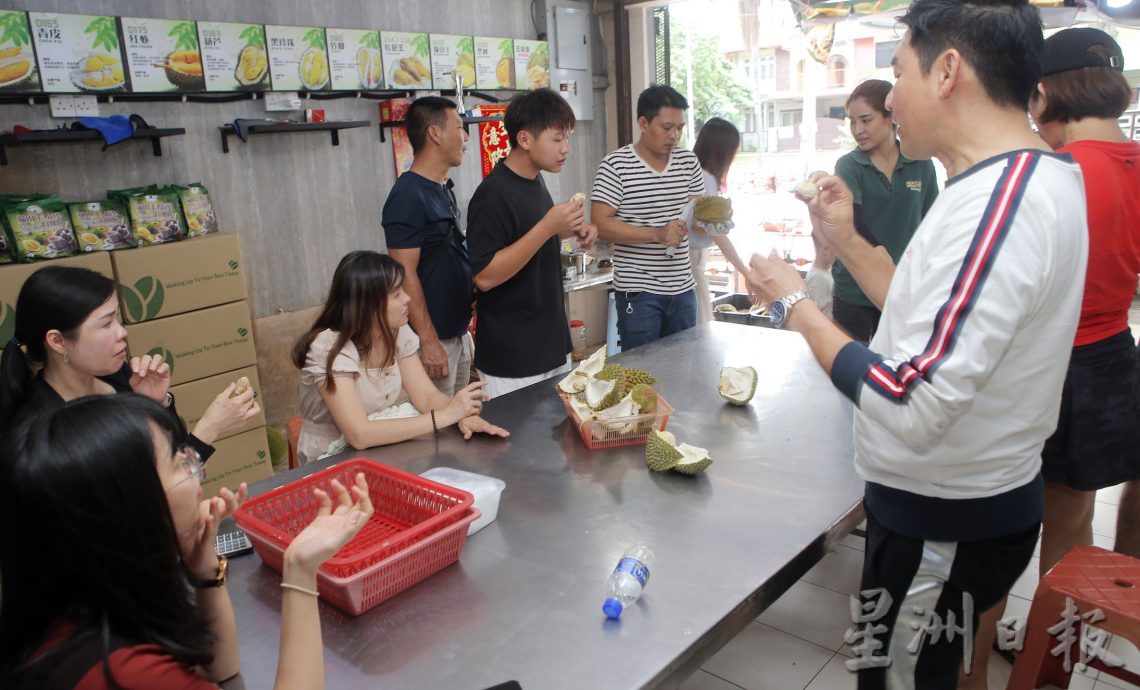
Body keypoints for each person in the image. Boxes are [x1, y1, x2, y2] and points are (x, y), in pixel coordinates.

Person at [747, 1, 1087, 687]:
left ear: (949, 71)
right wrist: (843, 236)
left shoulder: (1004, 205)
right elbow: (918, 303)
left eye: (898, 73)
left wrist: (792, 305)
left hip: (946, 521)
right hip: (950, 504)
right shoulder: (1009, 180)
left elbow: (910, 399)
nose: (890, 96)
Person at [0, 395, 372, 689]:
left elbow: (221, 668)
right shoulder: (127, 673)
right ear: (130, 508)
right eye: (180, 462)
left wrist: (205, 569)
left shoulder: (80, 603)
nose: (197, 474)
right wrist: (301, 570)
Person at [1028, 28, 1140, 572]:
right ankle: (1067, 633)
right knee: (1079, 504)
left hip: (1059, 362)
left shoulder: (1060, 174)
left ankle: (1044, 645)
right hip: (1117, 352)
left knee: (1049, 514)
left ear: (1044, 96)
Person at [0, 266, 258, 454]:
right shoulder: (48, 432)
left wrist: (153, 404)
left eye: (117, 319)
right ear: (58, 341)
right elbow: (160, 489)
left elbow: (171, 454)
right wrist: (209, 428)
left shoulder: (116, 375)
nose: (122, 332)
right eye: (106, 324)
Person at [292, 251, 507, 464]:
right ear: (368, 305)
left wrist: (463, 416)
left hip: (377, 449)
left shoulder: (396, 332)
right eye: (397, 294)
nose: (408, 299)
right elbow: (360, 434)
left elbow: (426, 396)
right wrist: (446, 416)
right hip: (330, 459)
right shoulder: (329, 348)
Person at [466, 88, 597, 399]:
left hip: (551, 345)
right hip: (513, 359)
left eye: (567, 138)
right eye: (557, 139)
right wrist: (547, 227)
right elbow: (484, 277)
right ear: (524, 140)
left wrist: (568, 230)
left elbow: (529, 238)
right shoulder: (492, 195)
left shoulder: (535, 179)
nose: (566, 149)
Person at [591, 85, 703, 350]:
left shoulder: (688, 162)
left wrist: (711, 220)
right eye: (666, 127)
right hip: (639, 292)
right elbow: (600, 225)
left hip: (683, 288)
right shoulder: (616, 165)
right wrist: (656, 234)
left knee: (683, 366)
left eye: (680, 128)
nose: (674, 136)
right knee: (643, 376)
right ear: (643, 123)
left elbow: (696, 218)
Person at [831, 79, 939, 344]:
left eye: (866, 120)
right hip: (853, 289)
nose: (858, 130)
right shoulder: (849, 166)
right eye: (852, 122)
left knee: (895, 366)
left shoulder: (921, 163)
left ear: (890, 115)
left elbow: (932, 221)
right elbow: (853, 219)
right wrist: (877, 251)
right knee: (850, 366)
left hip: (901, 288)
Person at [383, 96, 475, 396]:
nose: (465, 137)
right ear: (435, 133)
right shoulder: (407, 194)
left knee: (457, 422)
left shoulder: (441, 187)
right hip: (434, 339)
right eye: (460, 127)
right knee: (436, 432)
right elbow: (404, 272)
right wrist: (428, 340)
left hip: (456, 333)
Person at [687, 117, 763, 322]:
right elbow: (714, 233)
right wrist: (747, 273)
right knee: (699, 329)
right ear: (722, 151)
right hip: (691, 266)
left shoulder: (690, 173)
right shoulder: (705, 179)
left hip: (686, 264)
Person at [804, 231, 835, 320]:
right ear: (825, 249)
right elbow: (815, 315)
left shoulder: (828, 271)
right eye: (836, 249)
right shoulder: (817, 277)